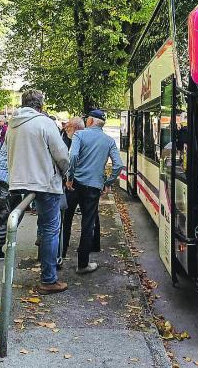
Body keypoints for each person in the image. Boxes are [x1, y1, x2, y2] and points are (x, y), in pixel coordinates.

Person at [7, 90, 69, 294]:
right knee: (51, 228)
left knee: (38, 225)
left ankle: (42, 255)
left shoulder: (13, 125)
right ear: (40, 105)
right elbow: (62, 156)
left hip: (20, 181)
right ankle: (48, 279)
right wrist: (65, 172)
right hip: (45, 182)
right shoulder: (45, 123)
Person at [65, 109, 123, 274]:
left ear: (89, 121)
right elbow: (118, 165)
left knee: (65, 218)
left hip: (75, 184)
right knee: (88, 223)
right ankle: (83, 264)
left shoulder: (79, 135)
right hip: (94, 187)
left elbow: (73, 156)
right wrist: (108, 182)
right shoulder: (109, 141)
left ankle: (59, 256)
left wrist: (70, 177)